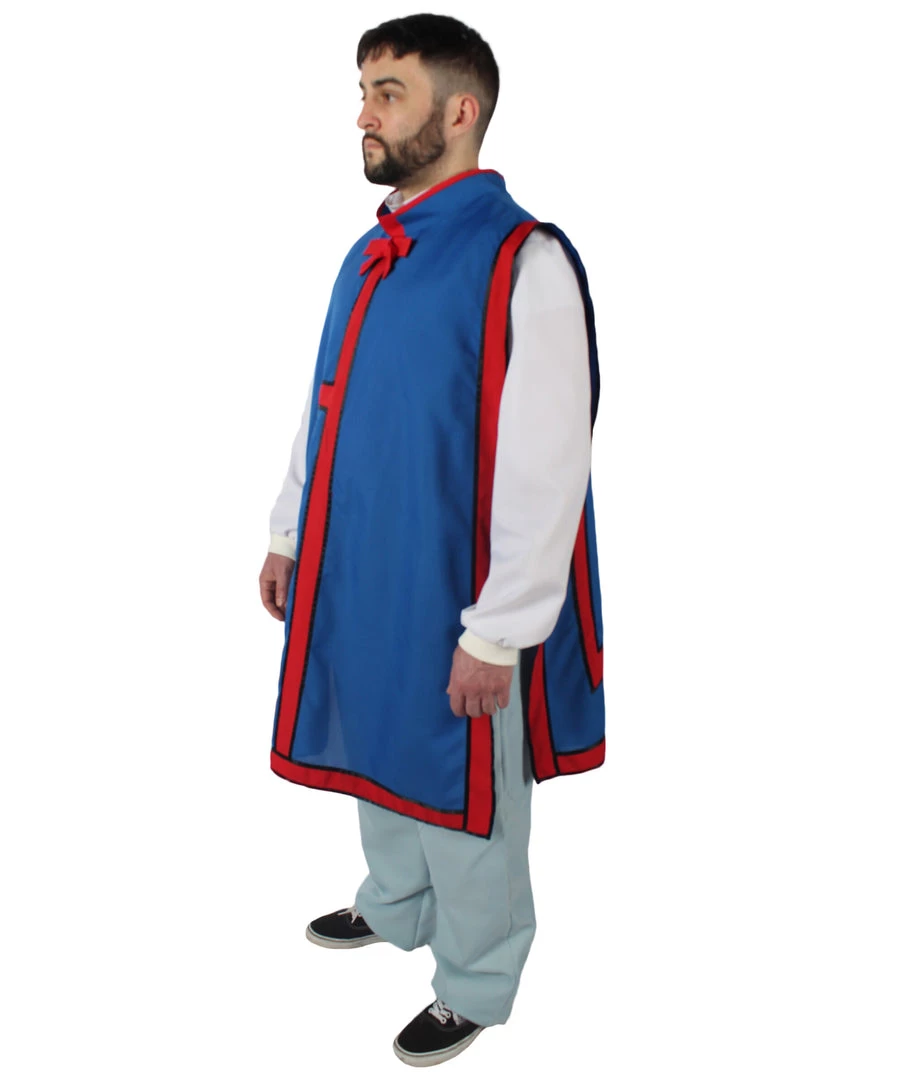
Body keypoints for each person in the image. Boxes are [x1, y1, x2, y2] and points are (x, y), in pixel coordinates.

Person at [258, 13, 605, 1068]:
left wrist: (499, 631)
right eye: (362, 91)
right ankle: (396, 902)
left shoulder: (521, 258)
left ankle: (477, 977)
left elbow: (549, 459)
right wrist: (288, 530)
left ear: (459, 112)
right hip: (359, 562)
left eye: (388, 92)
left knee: (464, 783)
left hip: (455, 581)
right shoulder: (371, 252)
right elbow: (327, 400)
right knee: (374, 738)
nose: (362, 115)